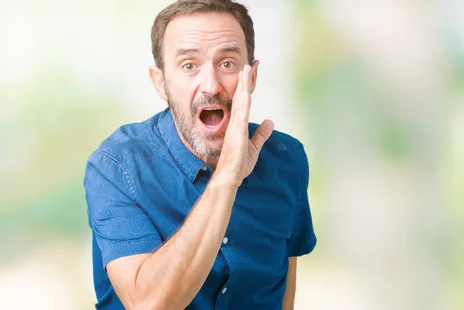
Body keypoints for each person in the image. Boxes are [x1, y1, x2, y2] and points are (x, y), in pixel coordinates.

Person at [83, 1, 317, 309]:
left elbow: (283, 294)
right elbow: (150, 304)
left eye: (227, 64)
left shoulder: (286, 160)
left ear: (253, 76)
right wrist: (227, 178)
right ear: (161, 82)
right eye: (189, 65)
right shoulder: (116, 168)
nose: (211, 85)